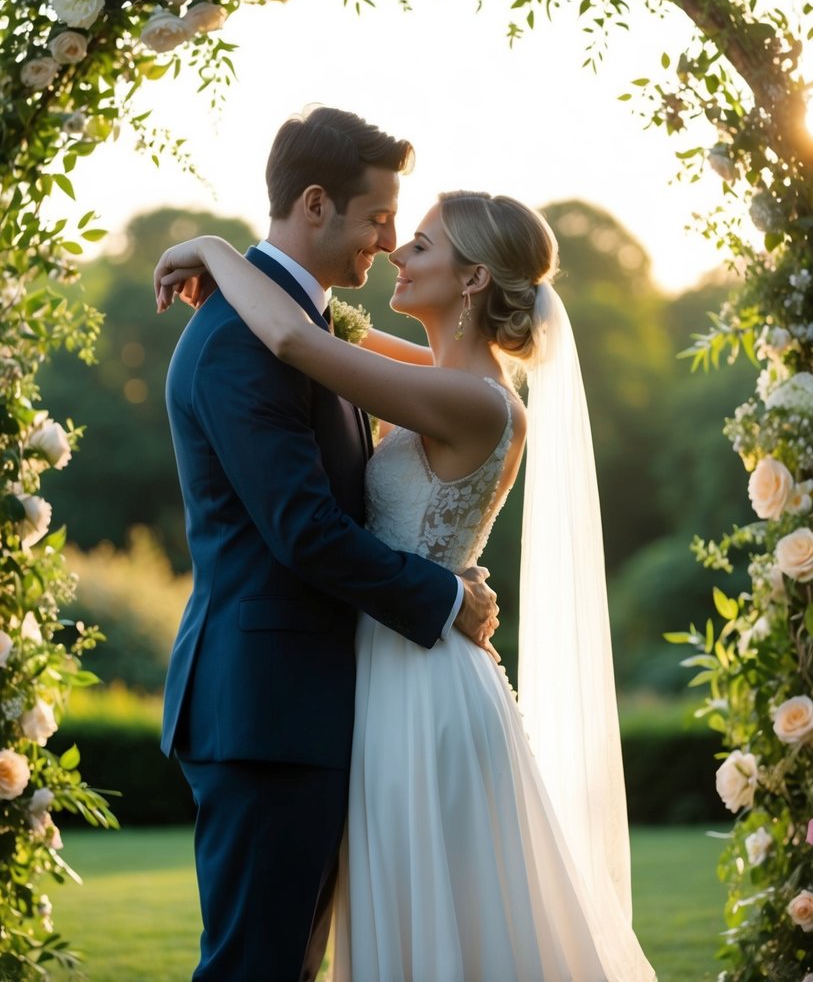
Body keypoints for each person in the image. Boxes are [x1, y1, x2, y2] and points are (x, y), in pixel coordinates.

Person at [155, 187, 657, 981]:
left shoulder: (469, 398)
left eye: (420, 244)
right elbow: (329, 327)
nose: (396, 250)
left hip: (421, 685)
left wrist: (217, 251)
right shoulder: (447, 374)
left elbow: (292, 338)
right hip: (392, 667)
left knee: (437, 924)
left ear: (472, 281)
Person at [157, 106, 499, 982]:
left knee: (290, 962)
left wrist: (213, 251)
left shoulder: (306, 332)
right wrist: (444, 595)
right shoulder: (245, 342)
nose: (389, 243)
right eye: (380, 216)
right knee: (257, 966)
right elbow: (303, 530)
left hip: (309, 704)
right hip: (266, 709)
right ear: (316, 205)